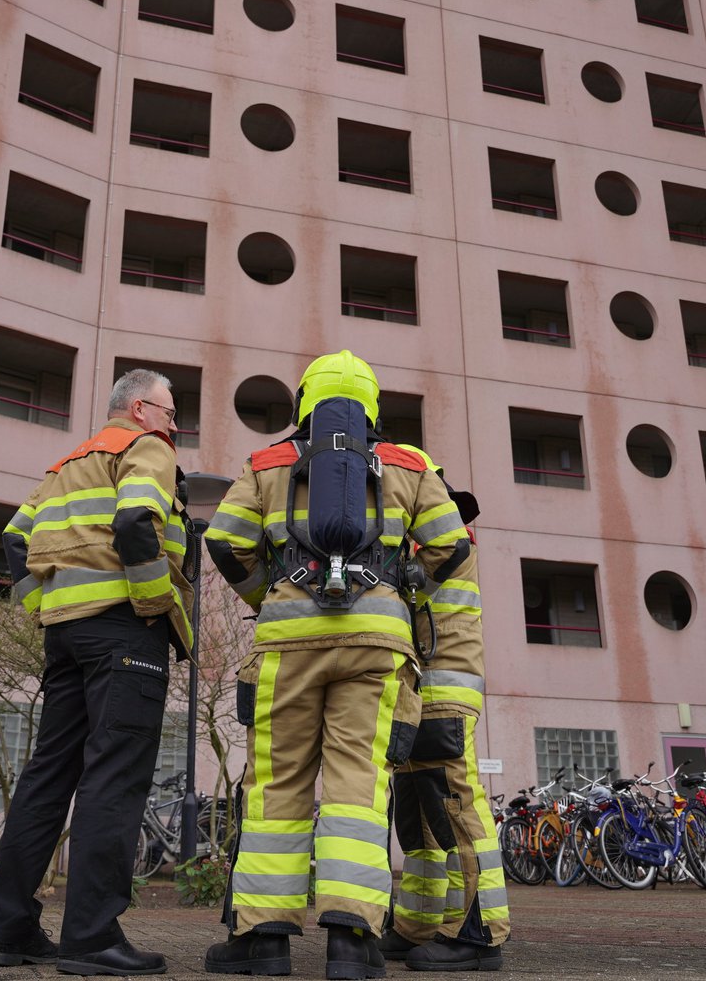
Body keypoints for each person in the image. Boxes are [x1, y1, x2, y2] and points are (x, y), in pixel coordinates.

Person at [202, 350, 470, 979]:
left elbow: (226, 540)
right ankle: (352, 943)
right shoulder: (410, 464)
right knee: (359, 788)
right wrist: (400, 596)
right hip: (377, 645)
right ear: (373, 405)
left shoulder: (266, 462)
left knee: (276, 783)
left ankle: (264, 942)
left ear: (304, 404)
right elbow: (450, 545)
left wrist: (273, 592)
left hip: (287, 643)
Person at [0, 369, 193, 976]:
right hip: (126, 629)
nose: (175, 425)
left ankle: (12, 932)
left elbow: (14, 536)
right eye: (170, 412)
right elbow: (135, 523)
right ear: (138, 409)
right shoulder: (145, 448)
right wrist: (153, 601)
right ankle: (90, 938)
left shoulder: (66, 465)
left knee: (48, 777)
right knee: (114, 776)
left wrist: (40, 605)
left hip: (67, 635)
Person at [381, 445, 508, 972]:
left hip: (442, 687)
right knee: (416, 812)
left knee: (456, 804)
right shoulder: (428, 538)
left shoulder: (443, 539)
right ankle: (418, 924)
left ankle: (479, 933)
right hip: (420, 686)